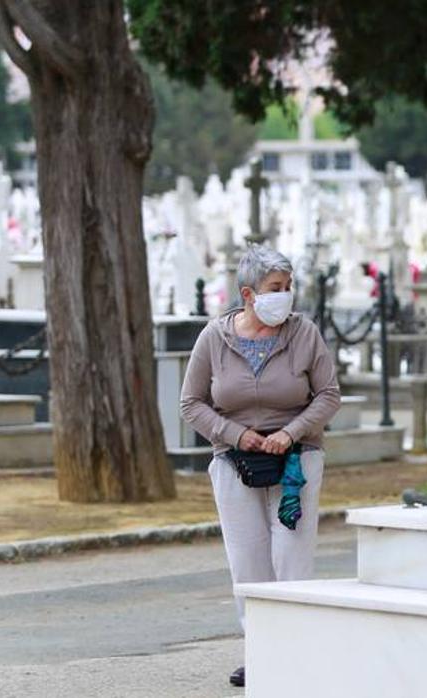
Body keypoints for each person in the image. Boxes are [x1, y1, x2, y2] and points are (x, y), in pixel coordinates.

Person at [179, 245, 341, 688]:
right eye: (276, 288)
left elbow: (328, 394)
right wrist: (236, 435)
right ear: (248, 294)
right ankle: (261, 651)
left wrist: (290, 433)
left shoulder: (303, 333)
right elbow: (191, 403)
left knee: (291, 557)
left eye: (288, 288)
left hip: (296, 461)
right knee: (247, 561)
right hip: (234, 462)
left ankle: (295, 652)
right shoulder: (215, 338)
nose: (285, 297)